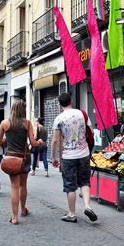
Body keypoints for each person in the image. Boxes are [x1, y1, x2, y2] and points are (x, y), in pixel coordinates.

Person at [0, 99, 44, 225]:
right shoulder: (27, 123)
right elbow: (32, 143)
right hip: (25, 158)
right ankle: (23, 210)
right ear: (23, 110)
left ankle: (14, 217)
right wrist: (40, 142)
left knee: (14, 187)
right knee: (23, 185)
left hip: (11, 158)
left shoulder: (5, 123)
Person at [51, 93, 97, 223]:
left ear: (60, 104)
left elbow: (55, 141)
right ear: (71, 101)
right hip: (84, 153)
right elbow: (92, 131)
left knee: (70, 186)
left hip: (68, 156)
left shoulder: (59, 118)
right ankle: (88, 206)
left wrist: (54, 157)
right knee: (85, 182)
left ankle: (71, 214)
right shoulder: (82, 114)